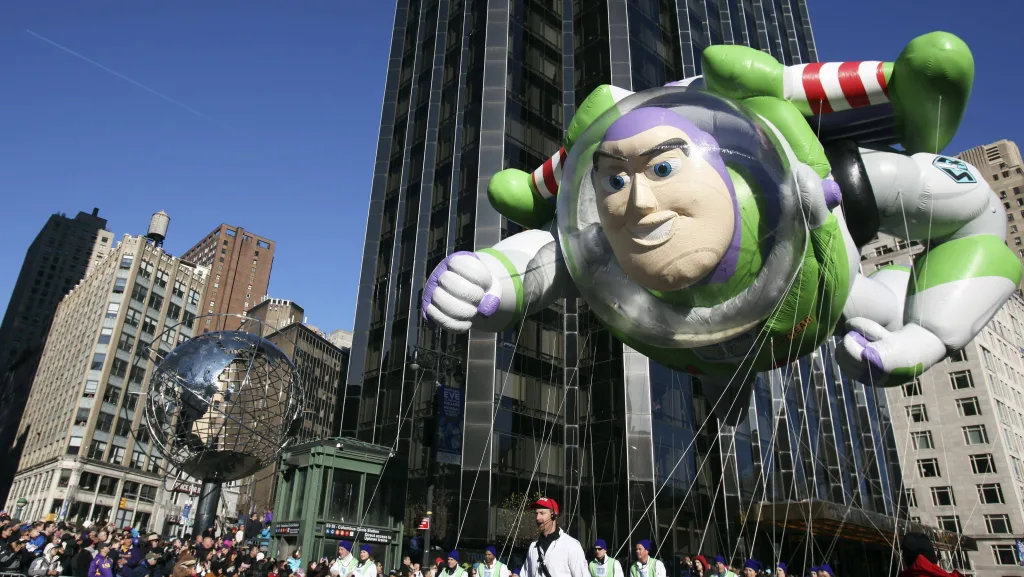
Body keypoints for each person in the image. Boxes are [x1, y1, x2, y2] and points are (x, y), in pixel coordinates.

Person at [521, 497, 588, 577]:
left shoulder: (571, 546)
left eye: (542, 513)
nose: (537, 518)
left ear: (553, 515)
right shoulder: (533, 546)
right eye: (536, 513)